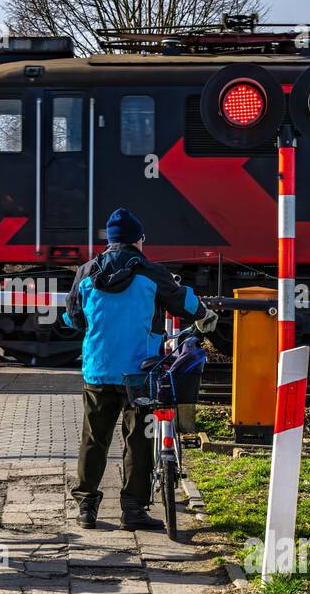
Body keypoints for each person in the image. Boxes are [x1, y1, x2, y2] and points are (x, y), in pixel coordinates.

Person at [65, 208, 218, 530]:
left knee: (94, 438)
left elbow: (74, 318)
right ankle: (133, 511)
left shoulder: (86, 272)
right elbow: (184, 303)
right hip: (142, 372)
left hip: (98, 369)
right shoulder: (150, 272)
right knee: (138, 440)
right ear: (139, 241)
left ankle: (86, 507)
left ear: (110, 240)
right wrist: (204, 315)